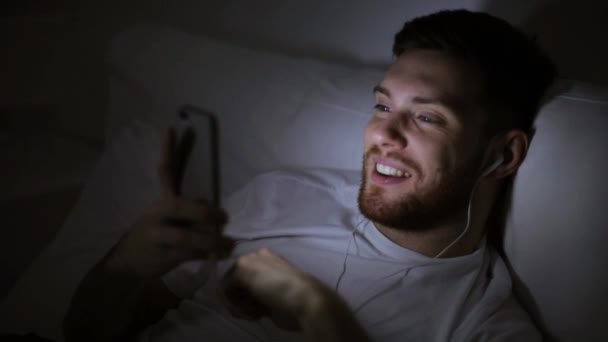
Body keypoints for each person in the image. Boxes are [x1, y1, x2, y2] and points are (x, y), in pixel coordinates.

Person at [63, 9, 556, 342]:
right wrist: (124, 268)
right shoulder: (281, 194)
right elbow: (85, 332)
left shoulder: (482, 325)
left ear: (503, 155)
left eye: (426, 117)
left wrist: (320, 313)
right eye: (382, 105)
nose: (383, 134)